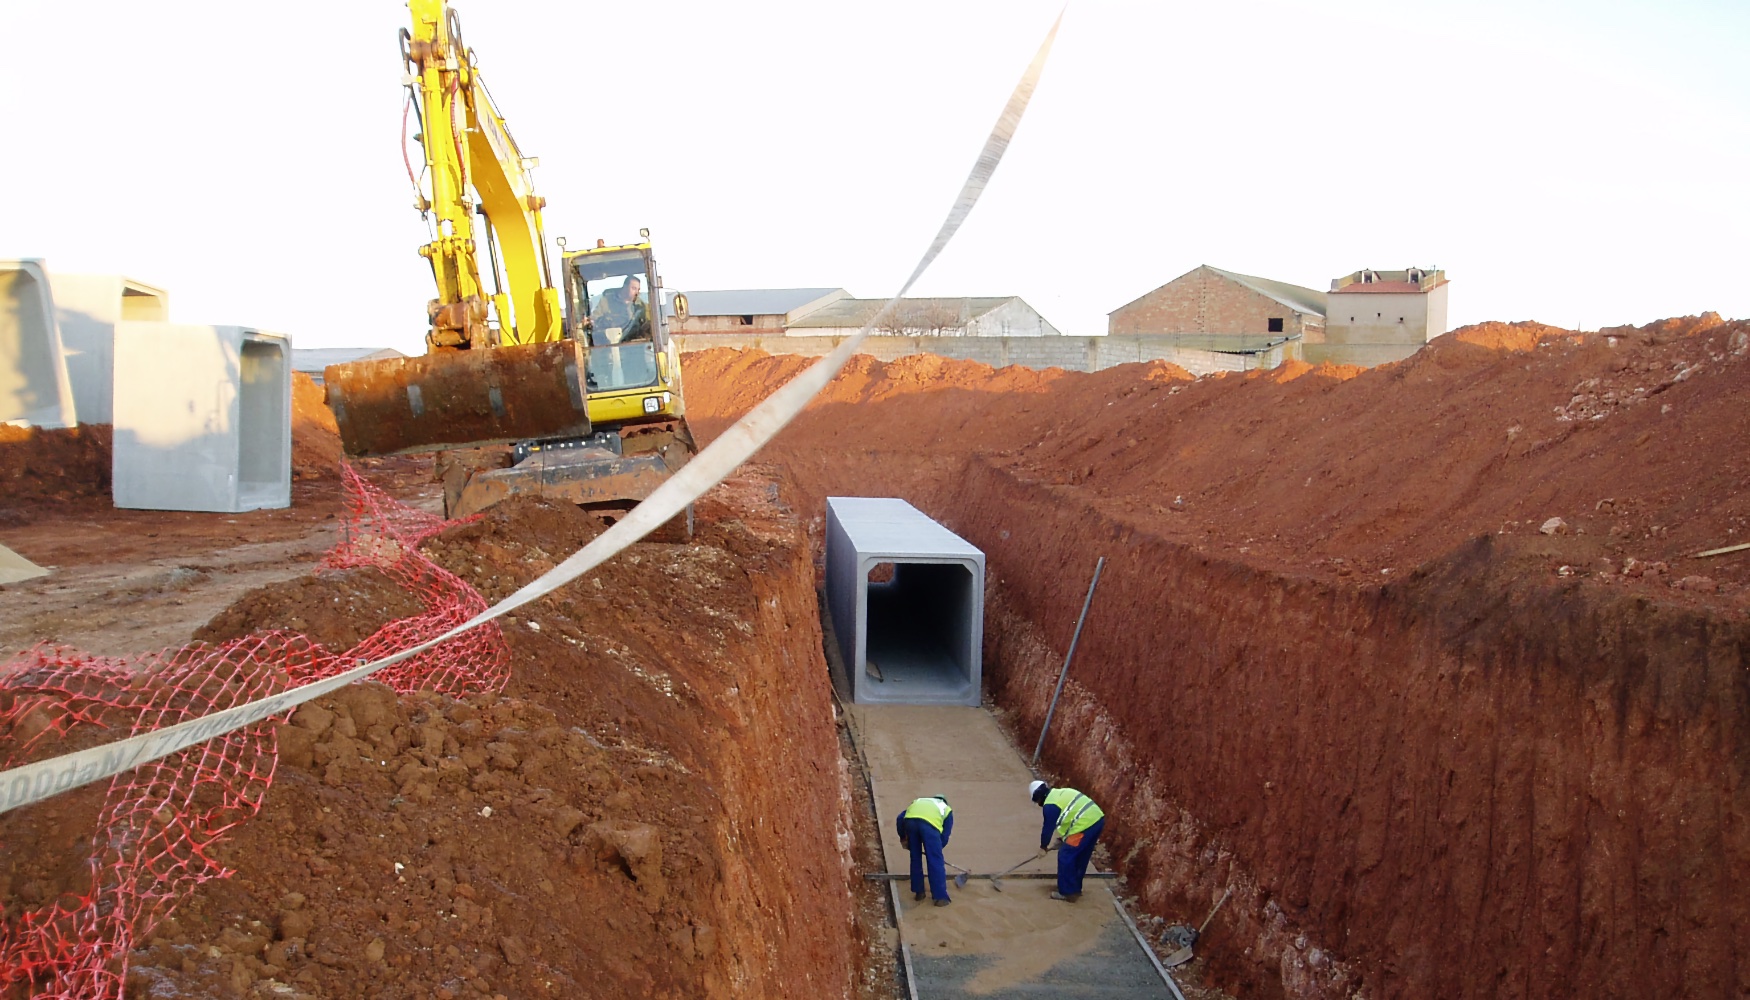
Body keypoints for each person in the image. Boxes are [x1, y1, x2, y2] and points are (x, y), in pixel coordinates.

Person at [1030, 780, 1105, 901]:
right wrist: (1063, 839)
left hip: (1084, 825)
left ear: (1039, 797)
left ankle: (1067, 892)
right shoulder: (1060, 793)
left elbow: (1047, 829)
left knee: (1066, 855)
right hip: (1097, 820)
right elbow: (1071, 817)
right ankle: (1075, 888)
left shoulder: (1050, 805)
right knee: (1081, 856)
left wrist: (1043, 847)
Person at [896, 795, 955, 906]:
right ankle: (940, 897)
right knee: (935, 861)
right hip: (929, 826)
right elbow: (945, 835)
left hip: (910, 822)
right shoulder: (946, 809)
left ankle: (919, 892)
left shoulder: (919, 801)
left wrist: (903, 838)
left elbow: (900, 818)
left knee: (915, 858)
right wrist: (935, 850)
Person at [588, 275, 648, 344]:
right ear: (625, 287)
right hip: (609, 342)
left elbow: (647, 323)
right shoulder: (606, 301)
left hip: (633, 343)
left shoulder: (640, 305)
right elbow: (595, 319)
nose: (637, 293)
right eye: (634, 288)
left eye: (638, 289)